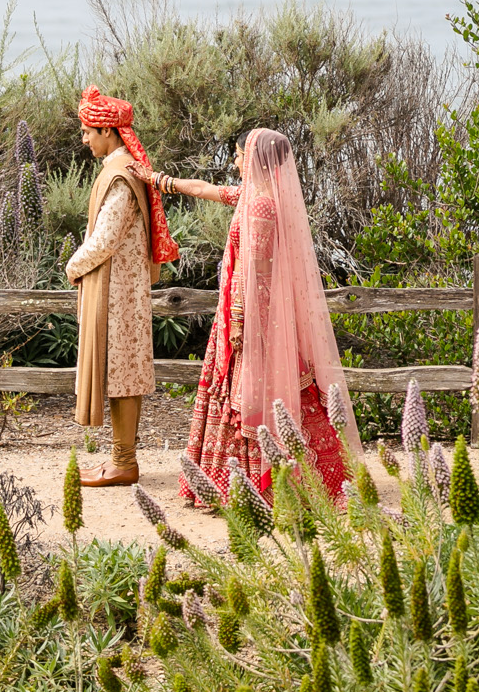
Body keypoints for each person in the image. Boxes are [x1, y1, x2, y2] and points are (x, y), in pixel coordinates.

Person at [137, 128, 359, 504]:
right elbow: (205, 189)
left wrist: (238, 321)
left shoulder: (260, 206)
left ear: (254, 158)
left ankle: (255, 486)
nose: (236, 161)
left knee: (251, 396)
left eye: (240, 155)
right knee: (273, 392)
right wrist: (159, 181)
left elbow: (255, 272)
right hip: (258, 316)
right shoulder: (254, 198)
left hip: (255, 319)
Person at [65, 88, 178, 486]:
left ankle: (124, 462)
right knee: (120, 371)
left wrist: (73, 266)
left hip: (120, 291)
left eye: (87, 131)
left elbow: (106, 239)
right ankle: (119, 458)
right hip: (121, 287)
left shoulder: (120, 173)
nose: (84, 139)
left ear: (109, 131)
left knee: (124, 372)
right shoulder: (124, 168)